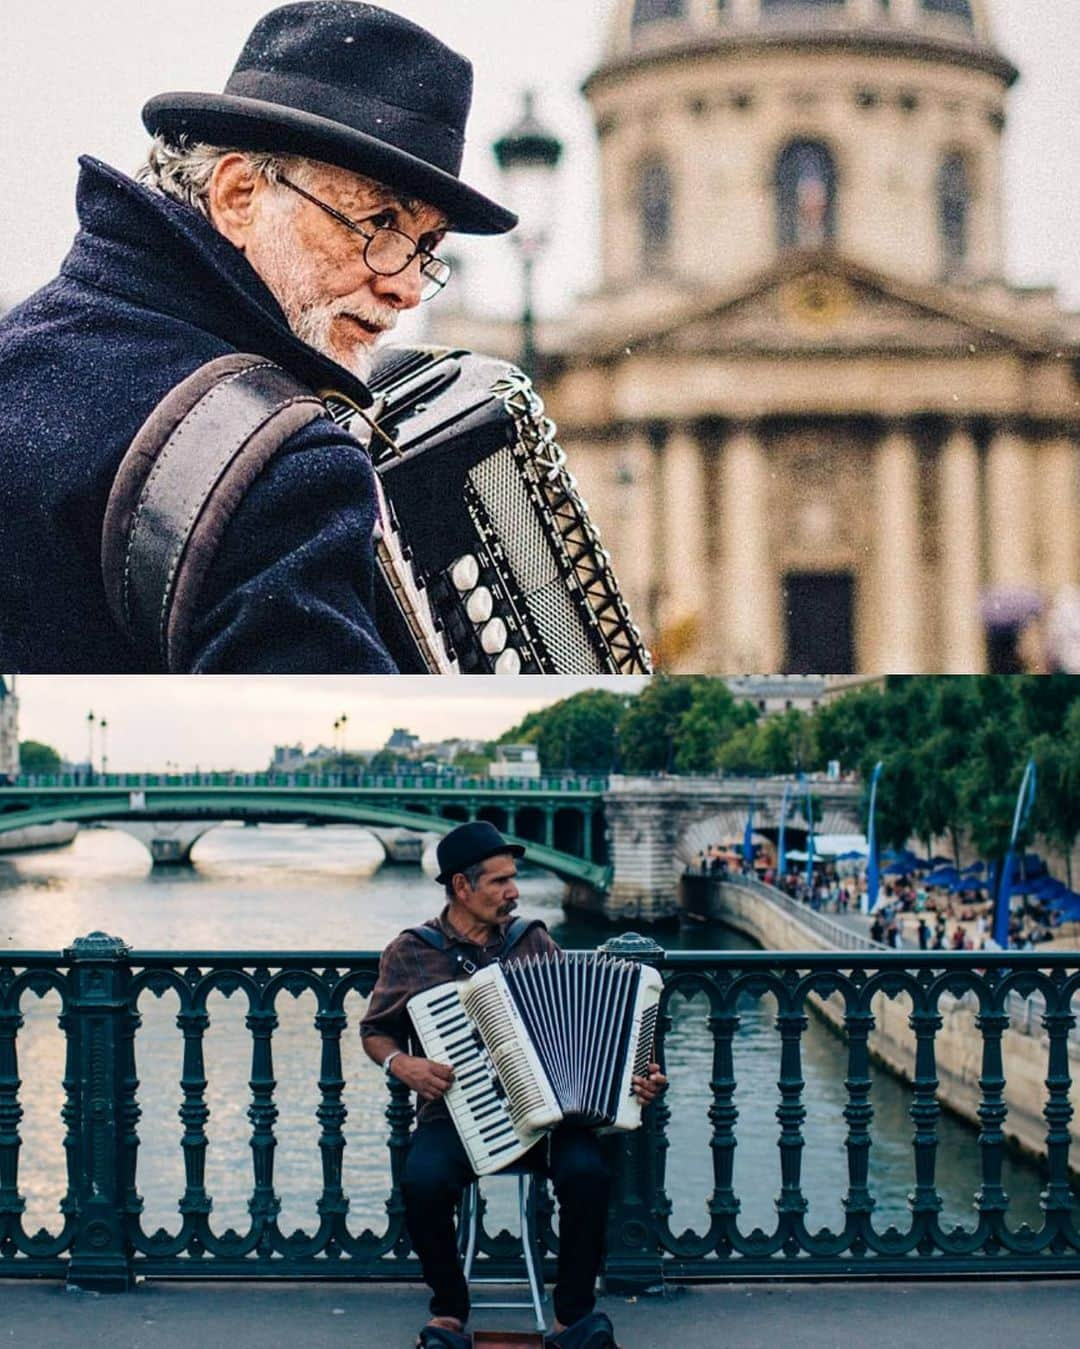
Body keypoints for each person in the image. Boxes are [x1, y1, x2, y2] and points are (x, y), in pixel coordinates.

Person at [0, 2, 515, 673]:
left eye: (425, 246)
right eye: (380, 221)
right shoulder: (288, 470)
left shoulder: (23, 349)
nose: (408, 287)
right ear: (240, 195)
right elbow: (347, 763)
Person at [360, 821, 667, 1348]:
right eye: (500, 882)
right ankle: (449, 1311)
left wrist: (636, 1077)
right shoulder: (412, 951)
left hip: (550, 1111)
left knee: (588, 1174)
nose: (513, 892)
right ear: (461, 887)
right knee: (422, 1182)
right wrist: (400, 1065)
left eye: (513, 879)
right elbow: (375, 1031)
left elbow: (581, 1021)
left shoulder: (534, 941)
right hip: (456, 1112)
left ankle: (572, 1319)